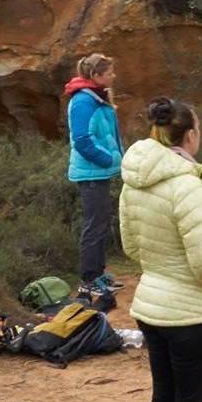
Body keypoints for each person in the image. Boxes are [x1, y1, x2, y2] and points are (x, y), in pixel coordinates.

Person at [118, 97, 202, 402]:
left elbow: (131, 246)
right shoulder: (187, 184)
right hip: (189, 314)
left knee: (163, 398)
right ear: (191, 136)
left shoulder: (133, 181)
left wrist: (160, 268)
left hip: (151, 307)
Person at [63, 52, 123, 301]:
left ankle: (99, 274)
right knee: (94, 227)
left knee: (100, 224)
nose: (113, 75)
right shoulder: (83, 102)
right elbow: (82, 140)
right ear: (96, 76)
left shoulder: (98, 97)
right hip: (91, 173)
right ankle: (89, 281)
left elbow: (108, 135)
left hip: (99, 172)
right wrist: (108, 159)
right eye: (109, 72)